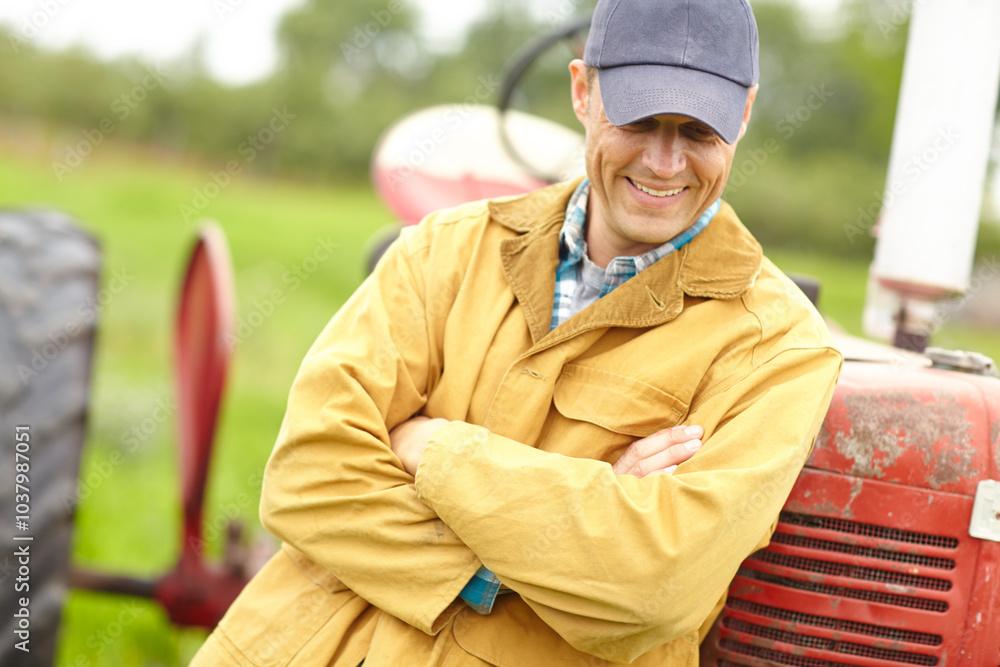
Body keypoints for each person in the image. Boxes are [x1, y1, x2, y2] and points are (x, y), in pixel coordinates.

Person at [191, 0, 842, 664]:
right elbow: (307, 474)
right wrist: (549, 546)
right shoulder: (447, 247)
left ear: (744, 114)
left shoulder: (780, 348)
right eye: (640, 120)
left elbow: (653, 585)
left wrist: (432, 447)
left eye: (699, 132)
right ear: (583, 91)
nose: (665, 162)